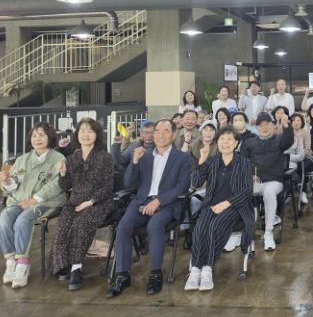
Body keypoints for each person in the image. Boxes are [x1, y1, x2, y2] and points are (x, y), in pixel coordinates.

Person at [107, 119, 191, 298]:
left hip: (168, 204)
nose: (160, 135)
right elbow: (129, 183)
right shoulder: (143, 155)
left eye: (165, 131)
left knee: (154, 225)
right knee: (123, 227)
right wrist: (134, 162)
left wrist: (158, 201)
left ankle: (155, 274)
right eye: (157, 131)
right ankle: (122, 275)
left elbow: (182, 186)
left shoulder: (182, 158)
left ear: (174, 134)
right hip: (141, 202)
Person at [184, 126, 254, 291]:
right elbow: (196, 183)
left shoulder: (244, 162)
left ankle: (207, 268)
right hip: (211, 204)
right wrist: (202, 159)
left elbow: (247, 190)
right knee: (200, 228)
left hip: (235, 206)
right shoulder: (212, 161)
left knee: (214, 227)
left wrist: (227, 203)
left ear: (236, 143)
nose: (225, 142)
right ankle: (195, 270)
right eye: (222, 139)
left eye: (229, 139)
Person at [50, 118, 114, 291]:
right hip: (75, 202)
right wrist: (63, 173)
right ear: (77, 134)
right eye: (82, 130)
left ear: (97, 134)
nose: (86, 134)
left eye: (90, 131)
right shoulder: (72, 158)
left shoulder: (105, 157)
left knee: (80, 223)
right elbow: (65, 186)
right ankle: (63, 264)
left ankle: (76, 267)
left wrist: (90, 202)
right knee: (63, 224)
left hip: (99, 202)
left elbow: (108, 187)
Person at [0, 123, 65, 289]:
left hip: (46, 202)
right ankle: (11, 260)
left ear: (50, 138)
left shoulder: (58, 159)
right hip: (19, 201)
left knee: (23, 220)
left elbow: (56, 185)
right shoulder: (22, 159)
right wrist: (6, 181)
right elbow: (14, 183)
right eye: (35, 135)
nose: (38, 139)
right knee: (4, 217)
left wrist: (34, 200)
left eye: (42, 135)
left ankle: (23, 263)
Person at [241, 113, 294, 251]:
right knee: (240, 191)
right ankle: (242, 232)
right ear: (257, 127)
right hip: (255, 181)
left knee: (269, 192)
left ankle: (268, 232)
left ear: (272, 125)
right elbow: (242, 162)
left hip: (274, 181)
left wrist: (286, 126)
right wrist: (250, 174)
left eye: (267, 124)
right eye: (261, 125)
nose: (264, 127)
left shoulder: (279, 140)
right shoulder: (249, 142)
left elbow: (288, 140)